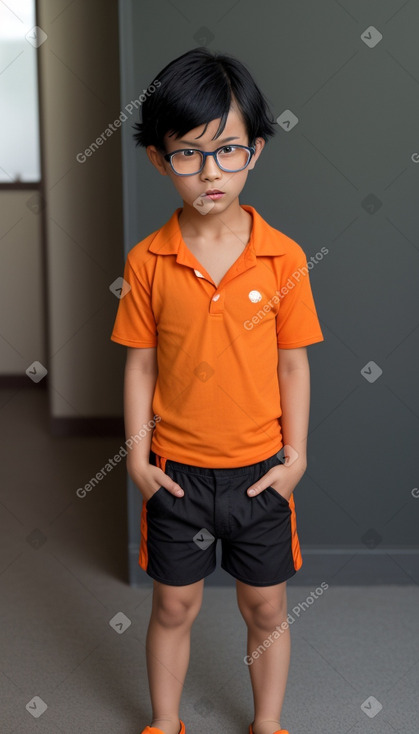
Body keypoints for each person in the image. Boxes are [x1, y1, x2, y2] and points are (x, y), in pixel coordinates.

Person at [111, 46, 324, 734]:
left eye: (227, 149)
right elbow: (139, 365)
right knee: (173, 608)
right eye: (188, 153)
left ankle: (266, 724)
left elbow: (293, 364)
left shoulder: (284, 256)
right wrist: (139, 460)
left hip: (260, 476)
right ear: (158, 158)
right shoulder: (147, 261)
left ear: (254, 152)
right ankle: (165, 721)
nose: (210, 172)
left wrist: (295, 458)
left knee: (264, 609)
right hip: (175, 477)